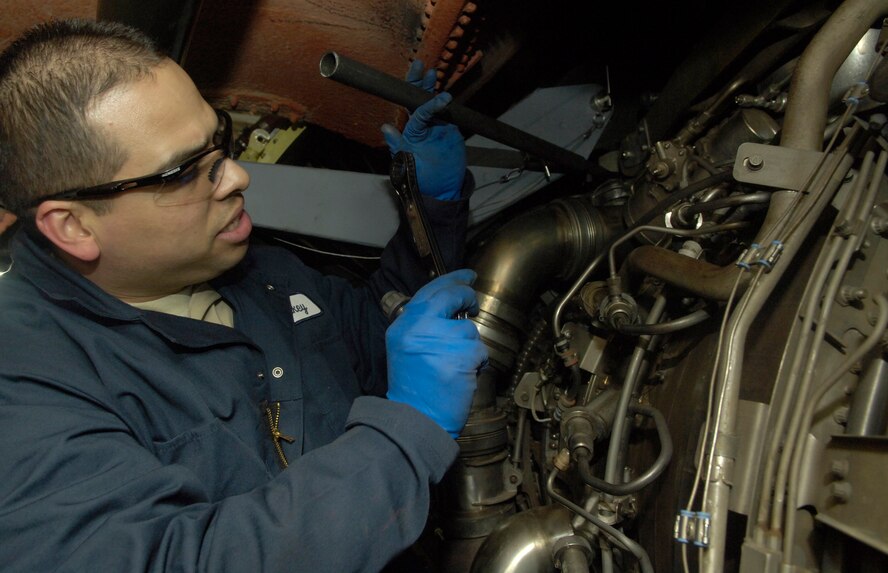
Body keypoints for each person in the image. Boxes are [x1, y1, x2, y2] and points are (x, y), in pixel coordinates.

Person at [0, 18, 487, 573]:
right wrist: (404, 439)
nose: (235, 176)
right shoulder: (23, 386)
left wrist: (430, 205)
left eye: (219, 140)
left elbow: (390, 344)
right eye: (184, 172)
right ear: (74, 227)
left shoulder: (262, 271)